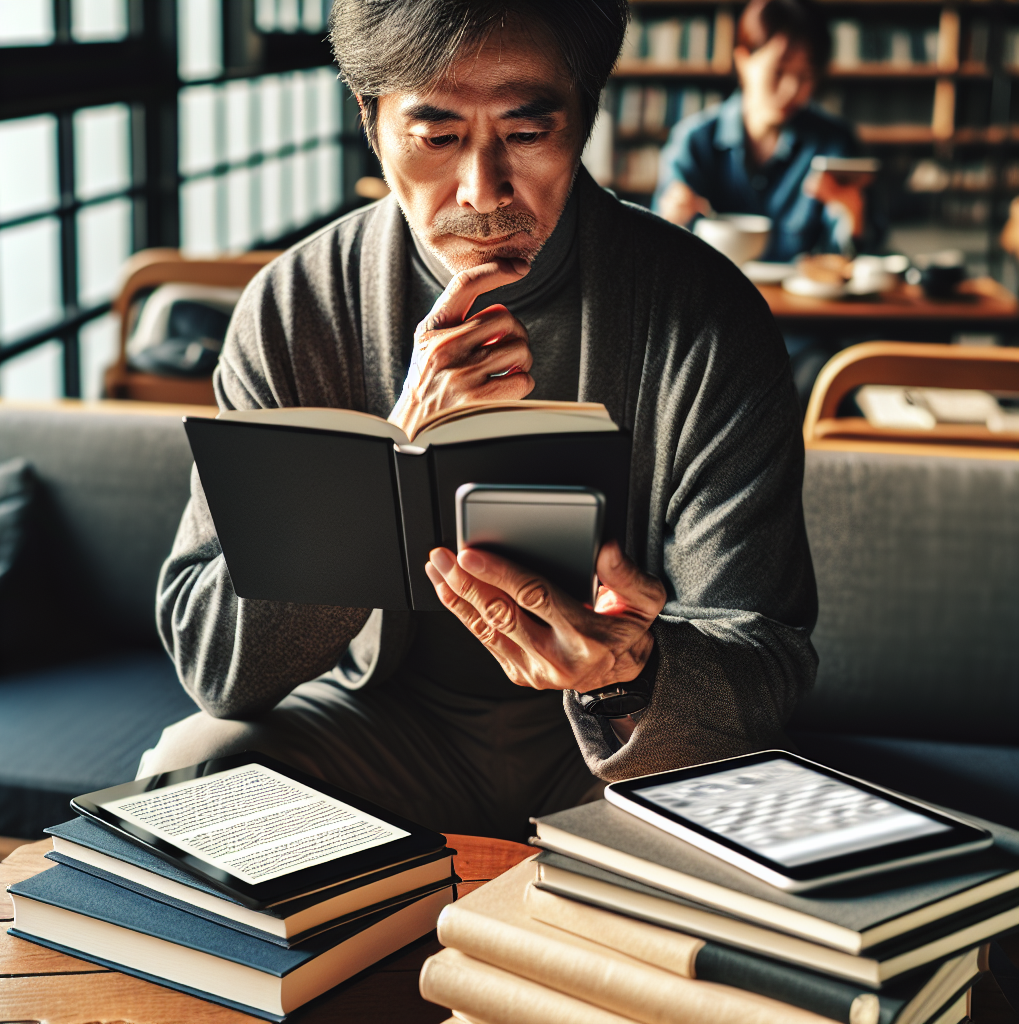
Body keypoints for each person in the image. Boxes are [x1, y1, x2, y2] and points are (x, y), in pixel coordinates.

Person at [143, 0, 818, 842]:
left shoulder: (706, 316)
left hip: (617, 755)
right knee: (189, 773)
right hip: (385, 733)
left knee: (766, 836)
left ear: (585, 116)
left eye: (527, 134)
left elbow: (771, 660)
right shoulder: (296, 308)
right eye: (436, 136)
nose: (482, 192)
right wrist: (391, 458)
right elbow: (215, 661)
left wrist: (629, 672)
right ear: (372, 121)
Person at [653, 0, 871, 262]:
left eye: (806, 76)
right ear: (743, 60)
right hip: (712, 299)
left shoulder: (834, 142)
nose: (792, 90)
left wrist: (853, 220)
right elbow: (660, 249)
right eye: (778, 71)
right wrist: (670, 222)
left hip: (803, 301)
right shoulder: (694, 141)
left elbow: (858, 259)